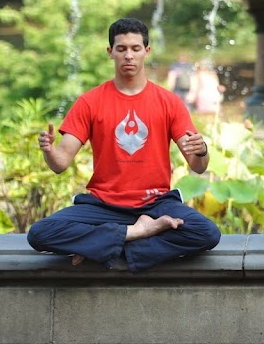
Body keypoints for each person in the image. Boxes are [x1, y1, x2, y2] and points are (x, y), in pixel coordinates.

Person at [27, 18, 221, 273]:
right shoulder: (90, 102)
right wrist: (49, 152)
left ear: (146, 51)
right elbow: (60, 164)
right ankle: (135, 233)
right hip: (102, 206)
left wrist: (202, 151)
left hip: (156, 205)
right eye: (121, 49)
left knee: (207, 233)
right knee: (40, 233)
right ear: (111, 52)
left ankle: (108, 246)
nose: (128, 56)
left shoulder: (169, 102)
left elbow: (197, 166)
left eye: (135, 48)